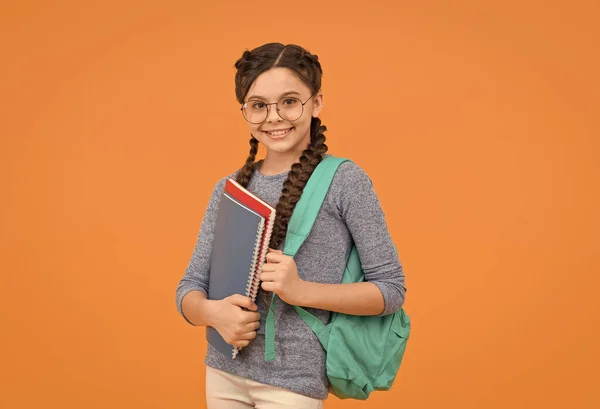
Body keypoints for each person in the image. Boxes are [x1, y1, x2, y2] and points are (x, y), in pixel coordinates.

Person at [175, 42, 406, 409]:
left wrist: (301, 291)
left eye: (289, 101)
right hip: (222, 372)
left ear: (316, 103)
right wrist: (211, 314)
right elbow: (189, 288)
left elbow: (391, 290)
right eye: (258, 105)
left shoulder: (344, 181)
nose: (274, 117)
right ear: (245, 112)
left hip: (293, 385)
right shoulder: (230, 189)